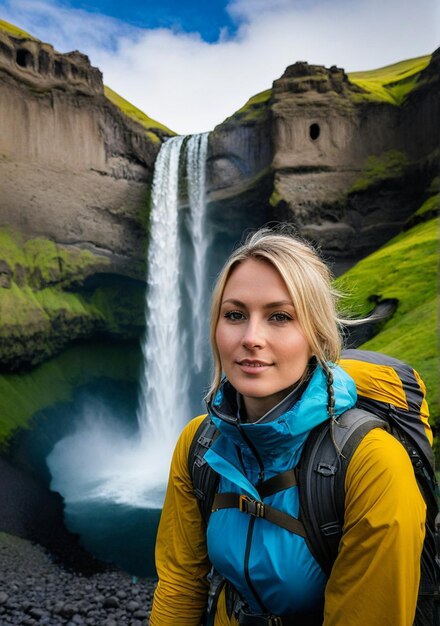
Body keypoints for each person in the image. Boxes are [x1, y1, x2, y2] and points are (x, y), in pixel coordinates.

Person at [150, 228, 426, 626]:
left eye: (280, 317)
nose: (251, 338)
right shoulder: (199, 443)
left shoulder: (373, 463)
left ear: (316, 335)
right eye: (234, 315)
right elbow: (179, 587)